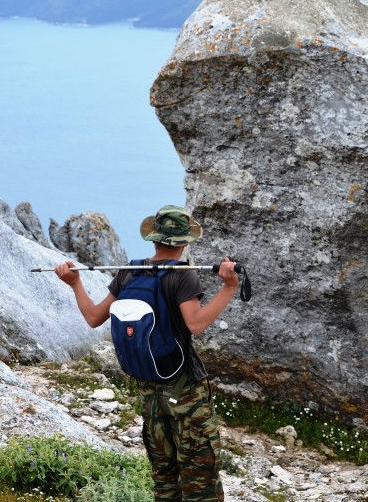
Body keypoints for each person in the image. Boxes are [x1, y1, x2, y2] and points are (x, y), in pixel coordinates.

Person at [55, 204, 237, 502]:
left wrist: (75, 283)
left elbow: (93, 318)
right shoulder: (183, 275)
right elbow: (196, 324)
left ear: (153, 239)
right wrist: (228, 287)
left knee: (164, 481)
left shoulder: (131, 272)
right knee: (200, 481)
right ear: (185, 242)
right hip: (185, 390)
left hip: (151, 394)